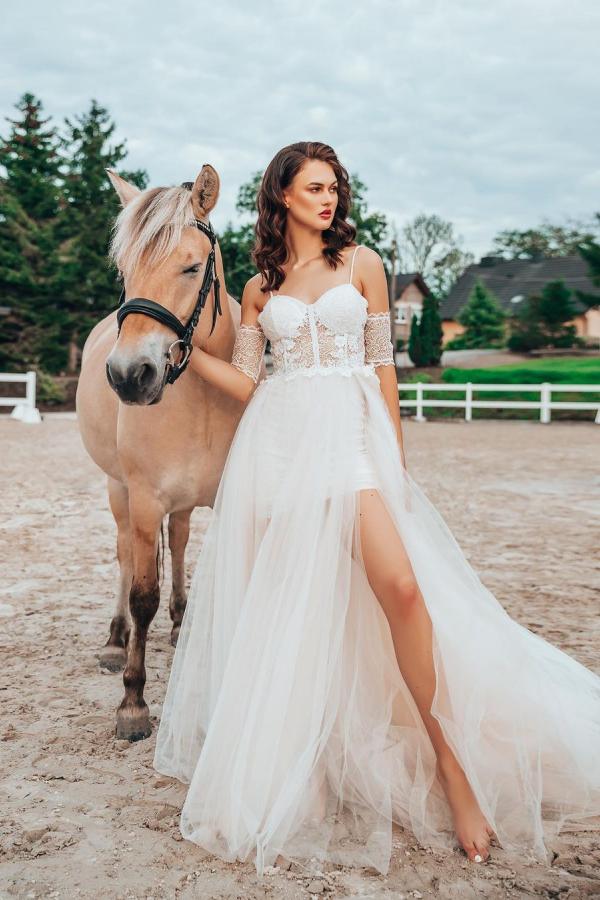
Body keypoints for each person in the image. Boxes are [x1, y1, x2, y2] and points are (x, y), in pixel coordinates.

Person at [153, 141, 600, 878]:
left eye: (334, 187)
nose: (328, 199)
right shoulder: (262, 289)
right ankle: (310, 764)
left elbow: (383, 365)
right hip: (281, 452)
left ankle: (453, 769)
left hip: (350, 446)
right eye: (313, 188)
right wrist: (184, 351)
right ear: (282, 197)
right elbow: (247, 383)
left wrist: (391, 455)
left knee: (402, 590)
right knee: (295, 615)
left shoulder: (361, 264)